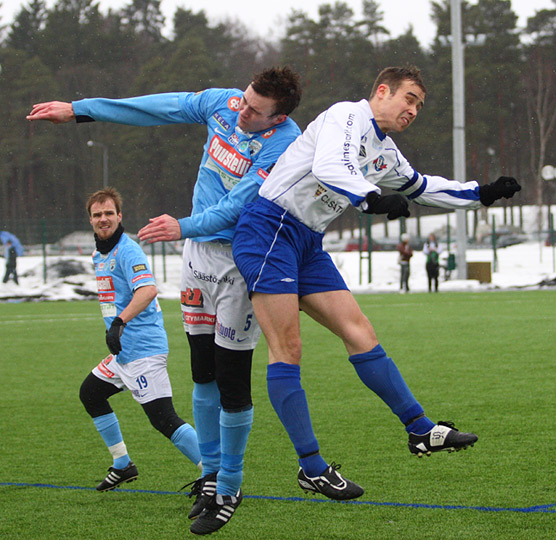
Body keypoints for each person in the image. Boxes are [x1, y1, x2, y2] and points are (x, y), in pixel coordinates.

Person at [28, 67, 302, 535]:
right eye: (246, 98)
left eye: (256, 110)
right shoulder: (226, 102)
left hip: (240, 259)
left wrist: (183, 225)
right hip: (196, 258)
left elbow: (239, 202)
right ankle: (212, 475)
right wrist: (80, 111)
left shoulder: (284, 145)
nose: (243, 111)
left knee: (233, 378)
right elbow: (158, 107)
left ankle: (231, 487)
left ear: (277, 118)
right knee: (202, 372)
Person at [231, 65, 521, 500]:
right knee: (288, 348)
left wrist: (480, 193)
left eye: (419, 105)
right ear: (382, 91)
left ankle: (421, 430)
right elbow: (331, 165)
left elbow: (420, 187)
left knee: (360, 332)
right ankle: (311, 467)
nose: (414, 110)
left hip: (306, 241)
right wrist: (369, 198)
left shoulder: (385, 151)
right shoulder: (346, 116)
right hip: (268, 229)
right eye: (409, 99)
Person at [79, 188, 201, 492]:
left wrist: (119, 322)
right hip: (123, 353)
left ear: (120, 216)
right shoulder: (100, 253)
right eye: (97, 215)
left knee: (163, 419)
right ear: (90, 220)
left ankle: (217, 473)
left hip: (144, 350)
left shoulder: (127, 250)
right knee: (91, 394)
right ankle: (123, 465)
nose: (103, 219)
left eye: (109, 213)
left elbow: (147, 290)